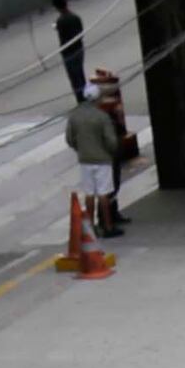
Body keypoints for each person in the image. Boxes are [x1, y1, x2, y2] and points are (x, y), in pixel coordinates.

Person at [64, 74, 133, 242]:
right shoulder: (102, 117)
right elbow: (111, 141)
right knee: (104, 193)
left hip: (85, 159)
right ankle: (107, 226)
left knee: (89, 194)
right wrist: (112, 152)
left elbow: (69, 138)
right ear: (97, 98)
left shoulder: (75, 116)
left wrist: (80, 149)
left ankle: (90, 227)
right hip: (102, 160)